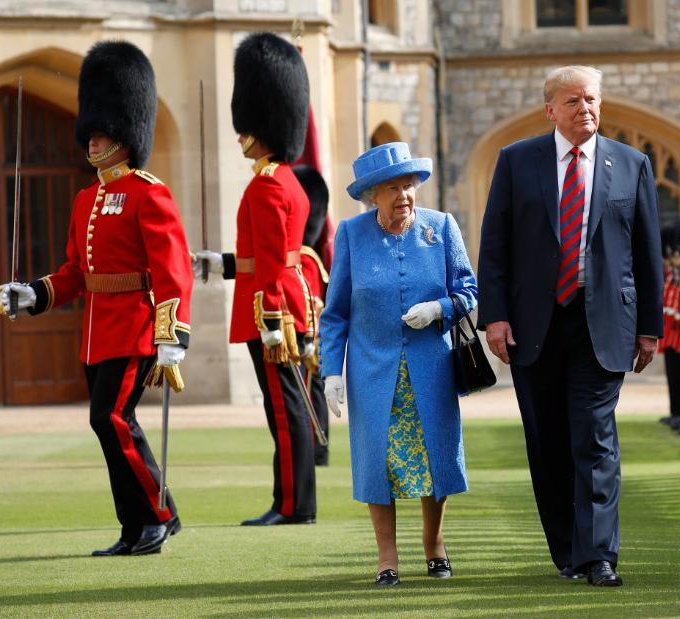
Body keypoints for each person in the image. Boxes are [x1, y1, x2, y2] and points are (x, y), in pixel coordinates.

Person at [0, 41, 189, 556]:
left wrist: (173, 333)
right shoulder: (86, 200)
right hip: (97, 332)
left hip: (136, 327)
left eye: (102, 132)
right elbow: (77, 273)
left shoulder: (150, 193)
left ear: (125, 133)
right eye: (91, 132)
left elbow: (172, 268)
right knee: (107, 424)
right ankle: (136, 525)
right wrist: (32, 294)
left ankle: (159, 516)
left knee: (112, 418)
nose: (93, 141)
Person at [477, 65, 663, 587]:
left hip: (602, 322)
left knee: (595, 437)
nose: (587, 109)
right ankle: (569, 551)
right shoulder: (517, 162)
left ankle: (600, 555)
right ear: (550, 110)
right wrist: (494, 317)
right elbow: (496, 247)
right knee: (549, 440)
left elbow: (648, 253)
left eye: (593, 100)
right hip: (535, 323)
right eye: (575, 101)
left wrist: (649, 326)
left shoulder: (632, 164)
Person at [320, 142, 477, 587]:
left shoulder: (441, 227)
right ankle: (386, 557)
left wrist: (440, 309)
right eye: (393, 187)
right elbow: (336, 313)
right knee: (378, 463)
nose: (405, 195)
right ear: (373, 195)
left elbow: (469, 290)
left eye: (409, 185)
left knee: (435, 457)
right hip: (372, 372)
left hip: (431, 367)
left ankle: (434, 544)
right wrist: (332, 372)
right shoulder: (351, 235)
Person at [193, 32, 316, 526]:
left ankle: (292, 506)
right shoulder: (287, 180)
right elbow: (269, 255)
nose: (239, 134)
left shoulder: (266, 186)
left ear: (261, 125)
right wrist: (221, 262)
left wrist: (268, 318)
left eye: (246, 127)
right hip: (286, 300)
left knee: (283, 412)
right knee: (286, 408)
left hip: (272, 309)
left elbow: (268, 262)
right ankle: (293, 502)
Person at [294, 164, 333, 466]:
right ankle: (315, 446)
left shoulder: (305, 257)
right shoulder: (307, 255)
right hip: (310, 330)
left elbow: (309, 297)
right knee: (310, 386)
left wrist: (308, 334)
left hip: (310, 330)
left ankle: (318, 448)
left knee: (311, 385)